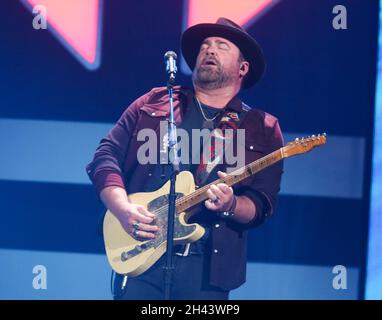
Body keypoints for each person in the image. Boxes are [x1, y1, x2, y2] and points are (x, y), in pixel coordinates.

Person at [86, 17, 284, 300]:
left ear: (243, 68)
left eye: (221, 46)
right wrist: (121, 208)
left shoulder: (262, 127)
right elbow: (105, 157)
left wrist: (230, 204)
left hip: (206, 270)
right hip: (141, 252)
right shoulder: (153, 103)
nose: (209, 50)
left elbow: (262, 203)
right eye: (205, 45)